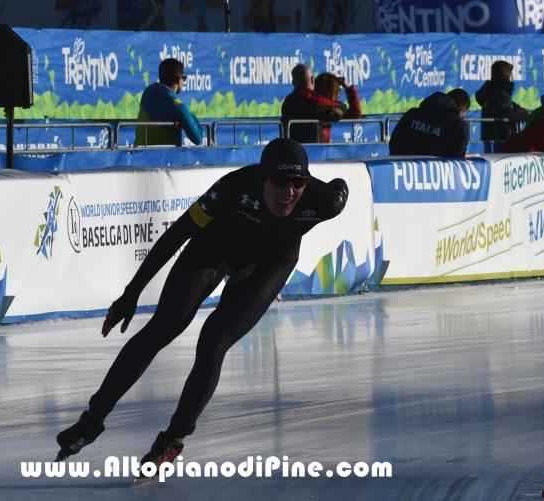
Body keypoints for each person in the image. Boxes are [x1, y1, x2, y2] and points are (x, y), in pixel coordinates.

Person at [54, 138, 349, 474]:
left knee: (213, 341)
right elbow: (176, 235)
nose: (290, 192)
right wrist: (132, 292)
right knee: (163, 326)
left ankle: (174, 439)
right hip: (213, 249)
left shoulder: (322, 201)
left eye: (298, 183)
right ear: (262, 177)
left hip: (271, 264)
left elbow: (340, 190)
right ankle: (92, 420)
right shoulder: (231, 187)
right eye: (280, 181)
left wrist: (333, 187)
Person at [135, 58, 203, 147]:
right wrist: (184, 117)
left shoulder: (148, 92)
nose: (183, 81)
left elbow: (161, 112)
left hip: (137, 155)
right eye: (184, 78)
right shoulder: (178, 106)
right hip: (163, 158)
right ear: (179, 79)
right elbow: (198, 138)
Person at [388, 89, 470, 158]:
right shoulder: (458, 125)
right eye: (463, 115)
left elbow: (393, 143)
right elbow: (457, 161)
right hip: (433, 175)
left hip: (398, 170)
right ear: (461, 110)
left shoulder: (412, 113)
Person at [282, 64, 341, 144]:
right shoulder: (314, 100)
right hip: (313, 151)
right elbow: (342, 107)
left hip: (291, 149)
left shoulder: (288, 100)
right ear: (312, 80)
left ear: (293, 83)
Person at [475, 60, 529, 141]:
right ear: (508, 78)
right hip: (501, 143)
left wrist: (517, 108)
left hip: (491, 141)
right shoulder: (500, 94)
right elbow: (505, 111)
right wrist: (524, 115)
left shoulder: (491, 92)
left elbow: (506, 105)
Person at [313, 72, 361, 143]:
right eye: (338, 90)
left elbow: (355, 113)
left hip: (322, 150)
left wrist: (350, 88)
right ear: (332, 91)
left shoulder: (333, 109)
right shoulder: (314, 103)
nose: (339, 93)